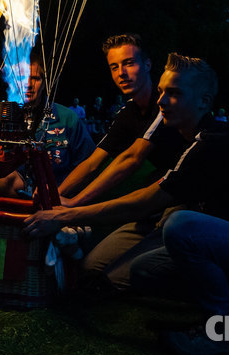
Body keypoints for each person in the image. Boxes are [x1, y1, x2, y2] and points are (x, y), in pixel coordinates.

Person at [24, 54, 229, 355]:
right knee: (144, 270)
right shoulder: (196, 138)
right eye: (162, 92)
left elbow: (143, 202)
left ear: (204, 101)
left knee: (181, 225)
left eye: (175, 93)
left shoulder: (212, 144)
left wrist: (67, 213)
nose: (163, 101)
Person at [56, 34, 186, 289]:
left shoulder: (164, 104)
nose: (121, 73)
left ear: (148, 65)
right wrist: (55, 195)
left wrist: (75, 204)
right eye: (114, 67)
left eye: (129, 63)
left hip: (186, 202)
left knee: (119, 277)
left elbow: (132, 158)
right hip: (157, 201)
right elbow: (94, 161)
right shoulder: (127, 112)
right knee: (92, 267)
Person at [0, 49, 95, 196]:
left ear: (45, 83)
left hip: (60, 205)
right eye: (22, 78)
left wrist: (61, 193)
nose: (28, 84)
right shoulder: (2, 124)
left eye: (35, 78)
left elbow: (89, 166)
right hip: (16, 208)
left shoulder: (67, 119)